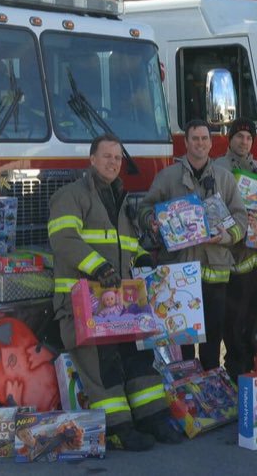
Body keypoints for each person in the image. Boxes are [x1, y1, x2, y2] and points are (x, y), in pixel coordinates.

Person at [47, 134, 181, 451]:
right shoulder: (71, 196)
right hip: (82, 302)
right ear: (91, 159)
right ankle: (119, 429)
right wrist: (98, 268)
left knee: (138, 359)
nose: (113, 162)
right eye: (106, 156)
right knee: (102, 368)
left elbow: (126, 246)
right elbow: (64, 239)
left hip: (121, 303)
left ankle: (154, 418)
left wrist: (143, 259)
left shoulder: (119, 198)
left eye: (118, 158)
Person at [139, 120, 248, 371]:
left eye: (204, 139)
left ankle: (211, 390)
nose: (200, 143)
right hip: (179, 274)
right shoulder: (167, 177)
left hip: (215, 271)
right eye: (195, 139)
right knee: (182, 344)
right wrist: (152, 221)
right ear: (186, 142)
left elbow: (241, 218)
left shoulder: (225, 178)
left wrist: (224, 236)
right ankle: (186, 396)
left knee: (212, 340)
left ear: (211, 143)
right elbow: (145, 208)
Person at [213, 120, 257, 377]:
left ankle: (250, 363)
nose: (244, 141)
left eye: (248, 137)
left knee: (255, 313)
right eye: (239, 136)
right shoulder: (219, 168)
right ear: (230, 139)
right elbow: (214, 207)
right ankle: (235, 366)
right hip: (235, 254)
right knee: (234, 316)